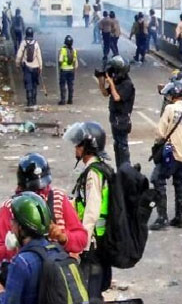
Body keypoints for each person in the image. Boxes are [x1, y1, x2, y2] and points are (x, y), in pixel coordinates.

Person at [0, 153, 88, 262]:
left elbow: (82, 239)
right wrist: (14, 246)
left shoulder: (58, 199)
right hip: (26, 270)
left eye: (43, 188)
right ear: (21, 186)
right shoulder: (10, 207)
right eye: (35, 190)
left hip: (55, 270)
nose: (40, 194)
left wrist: (63, 237)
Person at [64, 121, 113, 304]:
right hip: (98, 241)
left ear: (88, 147)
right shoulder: (98, 168)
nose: (75, 148)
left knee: (89, 292)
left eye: (78, 144)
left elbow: (92, 211)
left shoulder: (94, 173)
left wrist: (81, 245)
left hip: (93, 244)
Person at [150, 80, 182, 231]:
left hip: (170, 150)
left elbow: (159, 132)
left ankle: (162, 218)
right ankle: (179, 217)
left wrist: (163, 143)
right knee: (179, 184)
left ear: (174, 95)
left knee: (158, 179)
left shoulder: (170, 109)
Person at [0, 192, 61, 304]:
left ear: (21, 228)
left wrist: (1, 291)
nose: (11, 226)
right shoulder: (57, 251)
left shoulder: (21, 263)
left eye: (13, 222)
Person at [97, 56, 135, 168]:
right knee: (117, 145)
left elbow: (117, 97)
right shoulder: (118, 82)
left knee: (122, 146)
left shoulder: (127, 84)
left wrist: (112, 84)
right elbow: (105, 93)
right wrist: (101, 80)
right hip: (114, 118)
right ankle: (120, 170)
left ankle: (125, 170)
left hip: (122, 119)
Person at [15, 27, 42, 108]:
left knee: (28, 84)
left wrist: (17, 64)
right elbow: (39, 56)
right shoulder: (36, 43)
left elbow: (19, 55)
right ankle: (34, 100)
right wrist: (40, 66)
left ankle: (29, 101)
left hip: (27, 67)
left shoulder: (23, 43)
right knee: (34, 84)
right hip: (36, 67)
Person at [57, 35, 78, 105]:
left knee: (63, 85)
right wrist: (74, 68)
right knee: (70, 85)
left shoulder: (63, 50)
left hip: (64, 70)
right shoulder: (74, 50)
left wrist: (60, 66)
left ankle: (63, 100)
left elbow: (60, 60)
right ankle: (70, 100)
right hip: (71, 70)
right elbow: (75, 62)